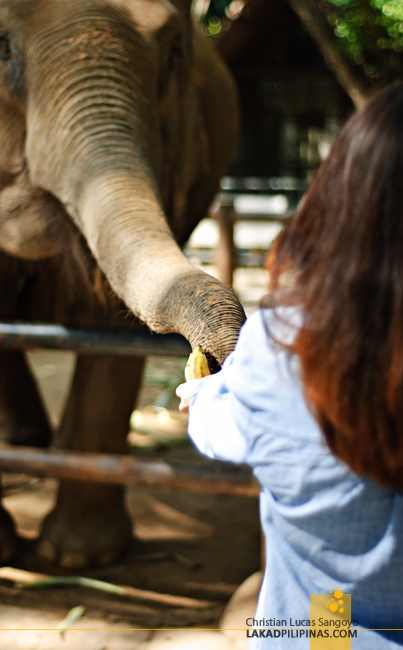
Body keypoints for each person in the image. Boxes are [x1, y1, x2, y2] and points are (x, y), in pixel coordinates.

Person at [177, 83, 403, 648]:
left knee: (332, 610)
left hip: (318, 627)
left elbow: (225, 433)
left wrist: (205, 394)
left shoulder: (277, 347)